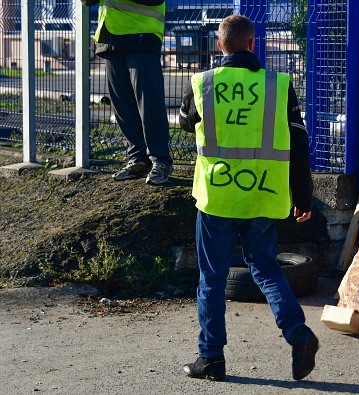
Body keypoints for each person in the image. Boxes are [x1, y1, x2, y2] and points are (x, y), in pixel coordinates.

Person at [178, 14, 318, 382]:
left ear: (219, 46)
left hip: (217, 198)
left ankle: (211, 358)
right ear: (254, 45)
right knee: (267, 268)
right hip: (262, 197)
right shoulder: (279, 86)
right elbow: (299, 145)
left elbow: (184, 122)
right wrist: (303, 197)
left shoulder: (203, 83)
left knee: (212, 278)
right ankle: (298, 333)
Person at [81, 0, 173, 185]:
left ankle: (160, 161)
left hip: (143, 35)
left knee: (149, 103)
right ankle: (138, 159)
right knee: (123, 106)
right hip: (111, 38)